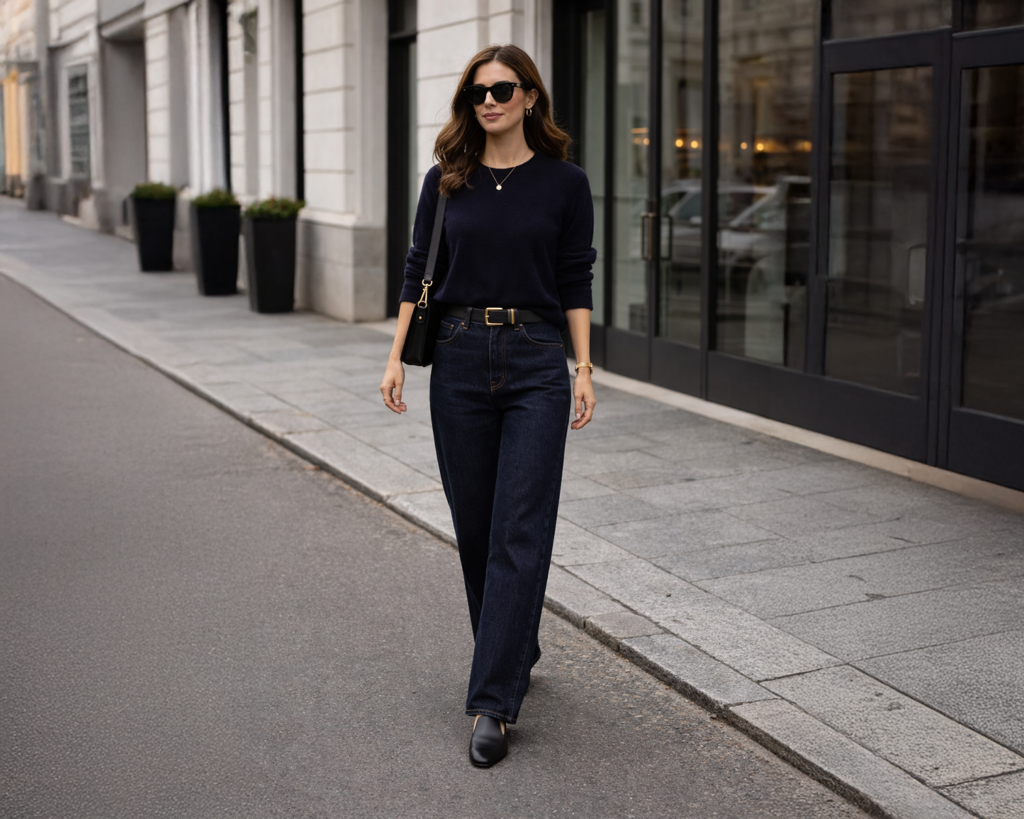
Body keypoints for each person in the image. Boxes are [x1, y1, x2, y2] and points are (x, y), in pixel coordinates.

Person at [379, 43, 597, 768]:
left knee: (520, 529)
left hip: (537, 360)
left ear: (531, 96)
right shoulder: (446, 181)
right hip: (462, 359)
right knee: (477, 529)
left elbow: (574, 277)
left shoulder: (566, 184)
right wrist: (394, 356)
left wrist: (585, 366)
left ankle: (493, 702)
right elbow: (418, 269)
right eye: (478, 93)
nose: (491, 101)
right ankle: (516, 643)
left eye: (504, 89)